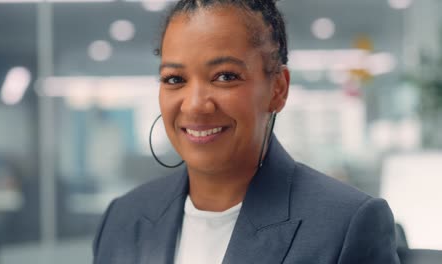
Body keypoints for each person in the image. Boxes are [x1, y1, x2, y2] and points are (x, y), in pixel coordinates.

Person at [93, 0, 400, 263]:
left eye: (225, 76)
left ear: (278, 89)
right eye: (175, 79)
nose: (196, 105)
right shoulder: (123, 218)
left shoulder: (346, 224)